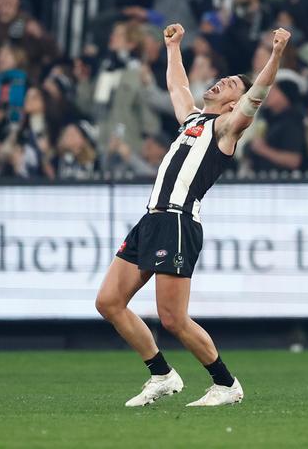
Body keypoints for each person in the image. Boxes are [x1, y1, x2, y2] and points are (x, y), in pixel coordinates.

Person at [95, 23, 291, 406]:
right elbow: (176, 87)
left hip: (178, 223)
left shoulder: (227, 128)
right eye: (223, 79)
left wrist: (276, 54)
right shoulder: (193, 121)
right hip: (150, 220)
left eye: (231, 84)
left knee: (173, 318)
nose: (220, 82)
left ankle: (226, 384)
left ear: (237, 102)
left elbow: (259, 95)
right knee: (109, 302)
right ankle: (163, 375)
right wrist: (173, 47)